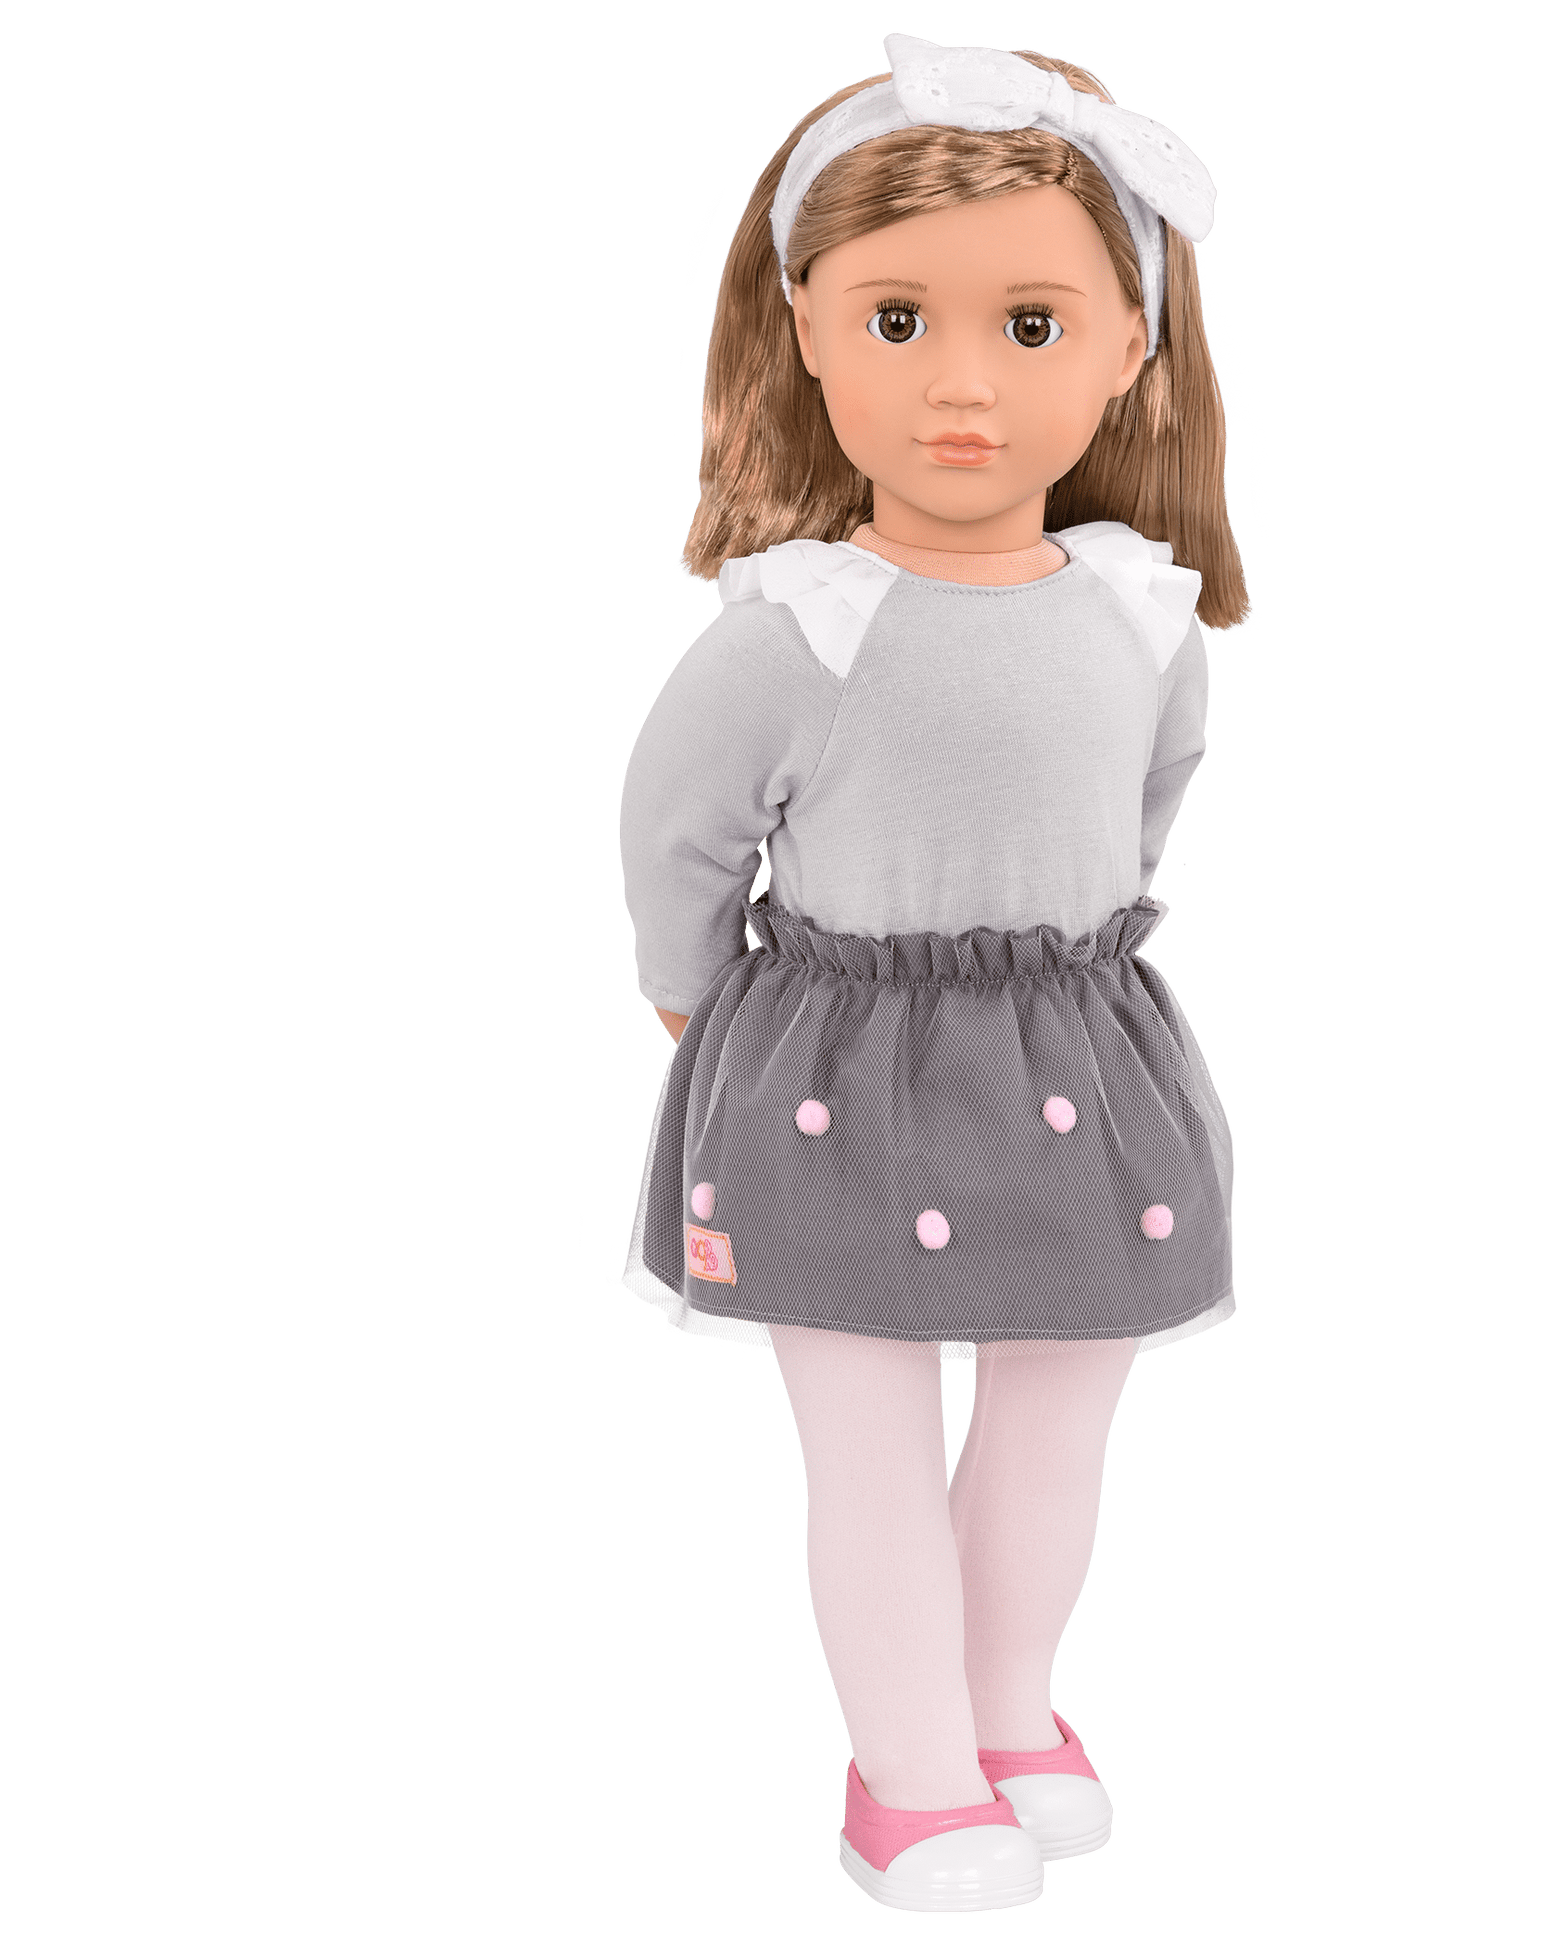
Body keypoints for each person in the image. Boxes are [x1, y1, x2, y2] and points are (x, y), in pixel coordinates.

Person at [615, 33, 1251, 1913]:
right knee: (870, 1440)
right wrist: (686, 996)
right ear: (808, 332)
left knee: (1063, 1411)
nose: (961, 382)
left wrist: (1065, 956)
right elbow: (677, 833)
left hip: (1084, 1055)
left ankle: (1005, 1707)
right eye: (897, 320)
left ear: (1130, 349)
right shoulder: (796, 628)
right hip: (836, 1076)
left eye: (1030, 325)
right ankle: (903, 1768)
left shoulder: (1141, 614)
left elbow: (1144, 814)